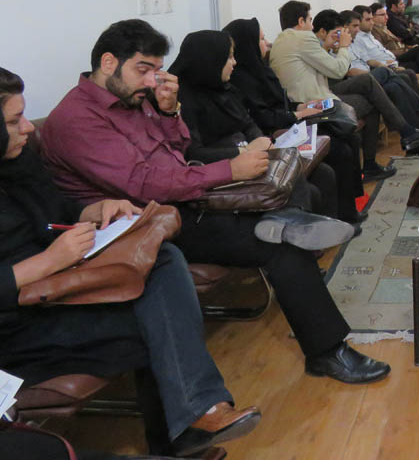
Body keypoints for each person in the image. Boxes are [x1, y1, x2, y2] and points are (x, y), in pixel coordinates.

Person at [39, 20, 391, 386]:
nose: (151, 81)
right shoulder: (77, 119)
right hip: (142, 224)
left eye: (156, 70)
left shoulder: (133, 99)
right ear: (109, 62)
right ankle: (327, 350)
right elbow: (143, 184)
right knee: (280, 243)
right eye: (143, 69)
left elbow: (176, 151)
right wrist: (230, 170)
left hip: (180, 201)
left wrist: (169, 113)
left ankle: (290, 226)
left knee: (285, 214)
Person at [0, 67, 261, 457]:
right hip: (19, 324)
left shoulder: (17, 164)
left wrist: (97, 209)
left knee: (163, 257)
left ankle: (191, 422)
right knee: (156, 325)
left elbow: (57, 212)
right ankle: (185, 431)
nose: (27, 128)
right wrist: (48, 261)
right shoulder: (74, 121)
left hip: (60, 288)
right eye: (13, 121)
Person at [168, 30, 363, 230]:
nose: (234, 62)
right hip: (228, 166)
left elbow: (248, 122)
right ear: (210, 60)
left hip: (253, 152)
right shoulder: (183, 101)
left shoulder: (223, 88)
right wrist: (244, 151)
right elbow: (194, 153)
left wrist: (260, 142)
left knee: (324, 173)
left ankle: (329, 230)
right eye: (228, 57)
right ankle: (300, 232)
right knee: (309, 186)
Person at [224, 17, 370, 223]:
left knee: (349, 136)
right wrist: (297, 114)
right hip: (279, 132)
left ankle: (349, 207)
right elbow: (264, 116)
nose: (267, 43)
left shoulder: (260, 69)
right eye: (261, 39)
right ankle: (343, 215)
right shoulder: (241, 79)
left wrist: (301, 106)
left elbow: (279, 101)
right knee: (340, 149)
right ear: (248, 44)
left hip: (289, 122)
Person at [269, 1, 419, 159]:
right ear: (301, 21)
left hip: (306, 99)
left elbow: (317, 68)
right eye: (309, 20)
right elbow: (338, 71)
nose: (311, 27)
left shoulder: (283, 40)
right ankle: (406, 135)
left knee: (376, 84)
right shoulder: (303, 38)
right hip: (314, 103)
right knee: (372, 92)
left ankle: (407, 134)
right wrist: (344, 46)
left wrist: (328, 46)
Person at [347, 7, 419, 120]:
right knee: (412, 67)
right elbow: (361, 65)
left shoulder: (369, 34)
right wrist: (384, 64)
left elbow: (371, 56)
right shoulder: (358, 39)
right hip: (383, 67)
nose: (372, 22)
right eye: (368, 19)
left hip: (391, 61)